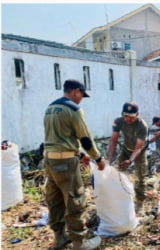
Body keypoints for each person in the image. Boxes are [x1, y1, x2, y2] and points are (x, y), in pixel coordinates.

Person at [43, 79, 105, 250]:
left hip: (50, 159)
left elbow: (61, 136)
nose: (80, 99)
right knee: (75, 199)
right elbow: (85, 138)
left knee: (55, 199)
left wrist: (81, 155)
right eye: (81, 95)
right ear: (76, 91)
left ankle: (59, 238)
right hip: (65, 162)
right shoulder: (73, 109)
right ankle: (79, 242)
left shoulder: (50, 108)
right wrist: (98, 159)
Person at [107, 102, 148, 211]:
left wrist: (130, 161)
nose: (128, 119)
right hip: (126, 148)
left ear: (137, 114)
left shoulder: (142, 126)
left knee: (140, 176)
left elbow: (138, 148)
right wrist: (109, 160)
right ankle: (120, 197)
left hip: (139, 152)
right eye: (126, 116)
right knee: (118, 172)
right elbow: (113, 141)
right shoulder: (118, 121)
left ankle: (140, 201)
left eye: (131, 117)